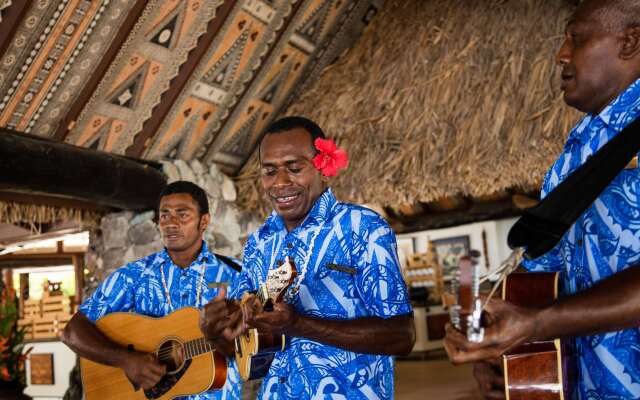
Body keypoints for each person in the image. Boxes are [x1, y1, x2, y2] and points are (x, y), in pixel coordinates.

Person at [444, 1, 640, 399]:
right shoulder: (572, 157)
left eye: (577, 37)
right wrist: (506, 352)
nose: (561, 54)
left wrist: (536, 322)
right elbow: (541, 285)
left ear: (629, 41)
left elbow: (541, 315)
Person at [199, 116, 416, 400]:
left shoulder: (362, 228)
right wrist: (217, 332)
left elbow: (402, 336)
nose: (280, 182)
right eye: (269, 171)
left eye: (294, 168)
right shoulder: (260, 243)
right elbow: (244, 349)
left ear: (323, 167)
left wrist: (298, 325)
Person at [62, 181, 242, 400]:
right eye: (164, 215)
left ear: (204, 221)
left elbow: (251, 346)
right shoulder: (133, 277)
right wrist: (126, 360)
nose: (171, 223)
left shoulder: (236, 275)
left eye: (182, 215)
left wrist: (223, 340)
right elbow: (73, 332)